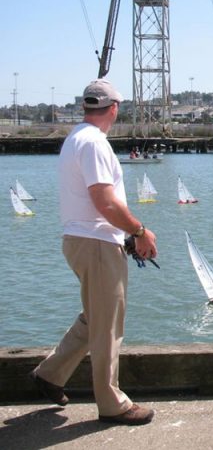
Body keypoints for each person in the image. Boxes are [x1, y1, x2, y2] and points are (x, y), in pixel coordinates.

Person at [30, 78, 159, 426]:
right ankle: (112, 403)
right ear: (114, 108)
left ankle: (50, 374)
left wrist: (125, 233)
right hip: (97, 242)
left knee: (96, 316)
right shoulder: (95, 144)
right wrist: (140, 231)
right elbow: (104, 200)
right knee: (107, 325)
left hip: (78, 240)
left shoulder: (75, 139)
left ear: (87, 106)